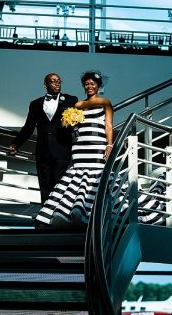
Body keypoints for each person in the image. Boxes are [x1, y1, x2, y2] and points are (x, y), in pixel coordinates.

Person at [35, 71, 114, 228]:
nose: (89, 86)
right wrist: (69, 122)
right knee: (78, 177)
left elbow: (108, 125)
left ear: (98, 86)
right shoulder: (77, 105)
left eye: (92, 84)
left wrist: (109, 144)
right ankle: (72, 212)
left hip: (97, 143)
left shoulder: (105, 102)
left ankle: (92, 214)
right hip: (80, 145)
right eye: (86, 84)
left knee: (96, 175)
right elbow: (72, 127)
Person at [10, 73, 79, 204]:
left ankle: (58, 216)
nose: (57, 83)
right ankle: (44, 218)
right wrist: (16, 144)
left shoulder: (71, 100)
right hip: (43, 151)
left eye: (59, 81)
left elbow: (78, 120)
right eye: (53, 81)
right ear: (45, 85)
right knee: (45, 185)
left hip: (62, 149)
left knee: (60, 184)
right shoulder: (35, 104)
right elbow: (28, 127)